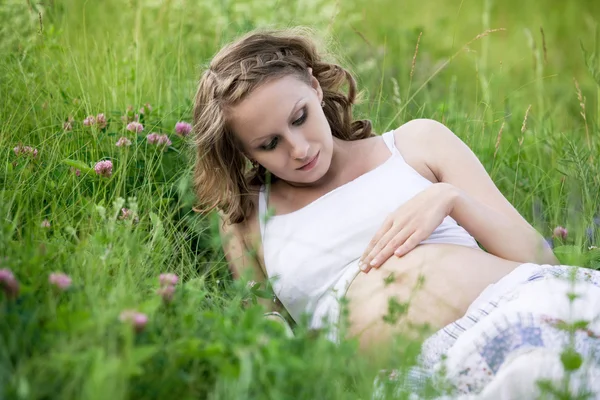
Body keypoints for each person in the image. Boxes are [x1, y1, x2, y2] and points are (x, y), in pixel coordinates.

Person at [192, 28, 600, 398]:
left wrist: (450, 198)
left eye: (300, 118)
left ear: (316, 89)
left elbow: (541, 259)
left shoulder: (416, 144)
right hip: (422, 376)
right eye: (268, 144)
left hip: (525, 304)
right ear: (243, 151)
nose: (298, 148)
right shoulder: (246, 219)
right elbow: (267, 334)